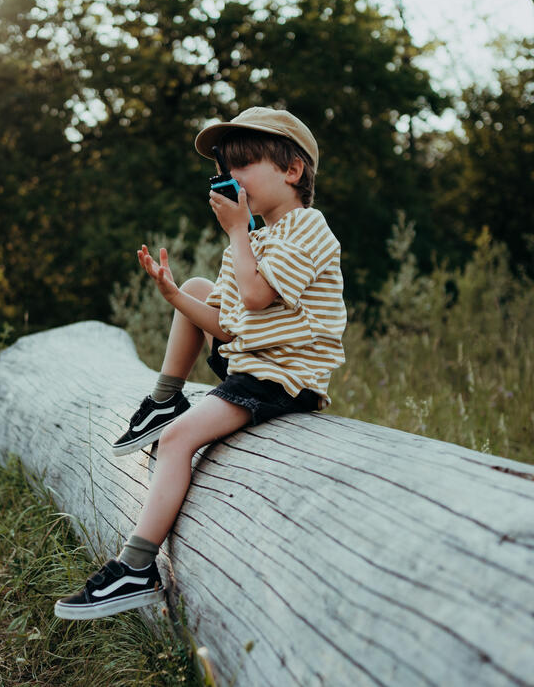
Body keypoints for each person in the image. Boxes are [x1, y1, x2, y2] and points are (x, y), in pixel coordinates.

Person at [54, 107, 347, 620]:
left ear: (292, 171)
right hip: (250, 360)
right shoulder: (255, 239)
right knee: (195, 288)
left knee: (177, 442)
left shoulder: (306, 229)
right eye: (223, 171)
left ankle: (136, 566)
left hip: (279, 379)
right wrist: (172, 294)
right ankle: (162, 400)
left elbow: (255, 299)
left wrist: (237, 232)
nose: (229, 181)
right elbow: (229, 325)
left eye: (242, 167)